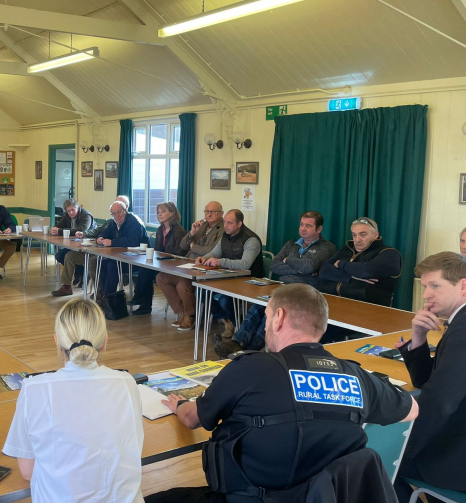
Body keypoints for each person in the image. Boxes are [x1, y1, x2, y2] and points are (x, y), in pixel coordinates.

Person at [147, 284, 418, 503]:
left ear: (278, 318)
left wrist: (180, 404)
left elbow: (194, 419)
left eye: (265, 317)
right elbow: (412, 410)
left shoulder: (251, 368)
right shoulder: (355, 376)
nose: (264, 327)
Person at [3, 299, 143, 503]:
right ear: (105, 342)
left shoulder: (34, 389)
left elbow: (27, 471)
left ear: (57, 342)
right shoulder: (127, 383)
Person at [394, 252, 466, 502]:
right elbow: (427, 382)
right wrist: (418, 337)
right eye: (425, 286)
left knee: (370, 460)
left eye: (435, 286)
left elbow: (441, 401)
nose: (426, 294)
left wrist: (402, 446)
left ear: (463, 285)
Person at [213, 211, 337, 357]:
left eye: (308, 226)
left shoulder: (327, 247)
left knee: (271, 315)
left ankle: (246, 352)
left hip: (304, 292)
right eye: (302, 224)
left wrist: (289, 261)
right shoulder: (291, 244)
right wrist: (300, 268)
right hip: (282, 287)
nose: (303, 228)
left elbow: (310, 266)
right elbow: (275, 265)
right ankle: (237, 343)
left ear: (319, 229)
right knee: (258, 305)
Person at [156, 201, 225, 331]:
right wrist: (192, 233)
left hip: (205, 269)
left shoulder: (223, 229)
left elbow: (213, 250)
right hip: (189, 265)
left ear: (221, 214)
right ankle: (182, 312)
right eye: (206, 211)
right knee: (161, 278)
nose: (209, 214)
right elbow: (183, 245)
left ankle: (191, 315)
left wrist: (194, 246)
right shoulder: (202, 225)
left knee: (183, 285)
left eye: (213, 211)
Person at [196, 209, 265, 326]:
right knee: (200, 292)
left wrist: (220, 262)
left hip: (249, 280)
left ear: (239, 224)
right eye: (225, 222)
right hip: (230, 277)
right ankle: (227, 321)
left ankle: (238, 325)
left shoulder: (251, 239)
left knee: (224, 301)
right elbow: (215, 253)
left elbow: (244, 265)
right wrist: (205, 258)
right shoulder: (225, 235)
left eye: (230, 223)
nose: (226, 226)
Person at [318, 217, 403, 306]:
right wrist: (351, 275)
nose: (357, 239)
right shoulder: (346, 249)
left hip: (368, 308)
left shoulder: (389, 253)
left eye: (363, 234)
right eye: (354, 235)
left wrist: (340, 264)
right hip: (331, 302)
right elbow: (324, 271)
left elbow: (366, 271)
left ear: (375, 234)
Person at [129, 202, 188, 315]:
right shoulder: (160, 230)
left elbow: (180, 254)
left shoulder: (179, 231)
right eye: (158, 212)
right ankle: (143, 303)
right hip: (162, 263)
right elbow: (157, 250)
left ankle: (141, 299)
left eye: (163, 211)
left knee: (146, 272)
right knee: (145, 270)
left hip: (174, 266)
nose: (160, 214)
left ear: (171, 213)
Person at [50, 198, 97, 295]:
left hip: (88, 247)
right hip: (74, 245)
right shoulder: (67, 216)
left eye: (72, 210)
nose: (70, 213)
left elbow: (81, 230)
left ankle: (80, 275)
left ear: (78, 207)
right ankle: (80, 273)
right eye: (68, 211)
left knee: (68, 255)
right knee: (60, 255)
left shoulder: (86, 216)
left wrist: (59, 231)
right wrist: (54, 229)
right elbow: (58, 226)